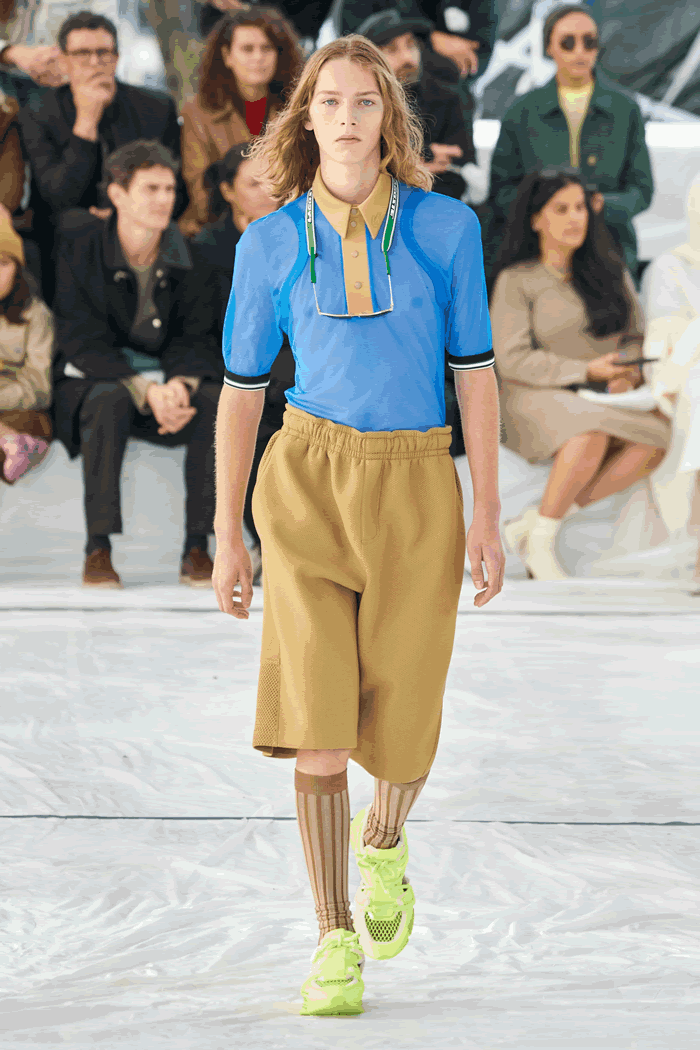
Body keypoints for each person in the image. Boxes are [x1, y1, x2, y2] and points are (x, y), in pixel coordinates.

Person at [212, 34, 503, 1016]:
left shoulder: (445, 228)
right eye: (329, 100)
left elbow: (475, 375)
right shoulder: (267, 243)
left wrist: (488, 513)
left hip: (417, 483)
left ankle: (384, 841)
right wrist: (226, 531)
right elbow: (241, 393)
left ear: (389, 118)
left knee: (406, 720)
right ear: (306, 117)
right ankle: (333, 937)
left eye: (365, 101)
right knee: (319, 725)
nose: (346, 116)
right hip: (305, 485)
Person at [51, 140, 222, 589]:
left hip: (168, 387)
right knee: (107, 398)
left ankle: (198, 547)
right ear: (117, 195)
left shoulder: (193, 255)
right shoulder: (80, 249)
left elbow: (199, 336)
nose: (164, 199)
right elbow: (79, 338)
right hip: (99, 382)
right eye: (151, 189)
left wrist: (180, 386)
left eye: (169, 189)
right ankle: (98, 547)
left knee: (213, 401)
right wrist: (146, 389)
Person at [490, 168, 669, 581]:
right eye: (562, 209)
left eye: (581, 208)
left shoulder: (610, 269)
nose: (575, 218)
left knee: (658, 436)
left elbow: (636, 337)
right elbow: (511, 359)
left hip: (603, 393)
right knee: (589, 434)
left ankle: (535, 524)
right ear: (536, 219)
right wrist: (586, 368)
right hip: (529, 394)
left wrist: (626, 372)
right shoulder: (516, 280)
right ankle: (542, 544)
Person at [484, 3, 653, 282]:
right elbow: (501, 190)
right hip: (538, 255)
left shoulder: (625, 109)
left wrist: (602, 205)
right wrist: (545, 211)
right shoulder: (522, 111)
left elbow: (642, 190)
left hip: (610, 250)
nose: (580, 52)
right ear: (549, 47)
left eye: (589, 42)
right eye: (567, 42)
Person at [19, 9, 182, 296]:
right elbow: (58, 197)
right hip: (65, 235)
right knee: (75, 226)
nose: (94, 62)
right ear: (64, 60)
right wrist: (86, 122)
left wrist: (124, 213)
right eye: (82, 54)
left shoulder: (156, 108)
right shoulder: (38, 112)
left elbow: (176, 186)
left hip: (143, 221)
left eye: (103, 53)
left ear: (117, 58)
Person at [193, 141, 294, 583]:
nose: (268, 192)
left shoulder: (301, 236)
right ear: (228, 191)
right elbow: (199, 329)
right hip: (232, 369)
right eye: (254, 183)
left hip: (289, 369)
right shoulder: (207, 247)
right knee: (240, 421)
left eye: (275, 181)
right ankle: (255, 540)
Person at [179, 6, 303, 235]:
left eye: (267, 48)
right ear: (227, 56)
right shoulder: (197, 113)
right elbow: (199, 190)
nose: (258, 57)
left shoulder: (298, 110)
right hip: (221, 228)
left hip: (290, 224)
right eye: (247, 49)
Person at [356, 8, 474, 199]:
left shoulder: (448, 98)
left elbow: (459, 171)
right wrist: (419, 160)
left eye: (411, 46)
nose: (408, 58)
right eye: (391, 49)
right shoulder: (353, 108)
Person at [0, 210, 53, 483]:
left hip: (23, 412)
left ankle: (13, 443)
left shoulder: (36, 315)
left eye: (3, 263)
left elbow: (40, 389)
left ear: (18, 268)